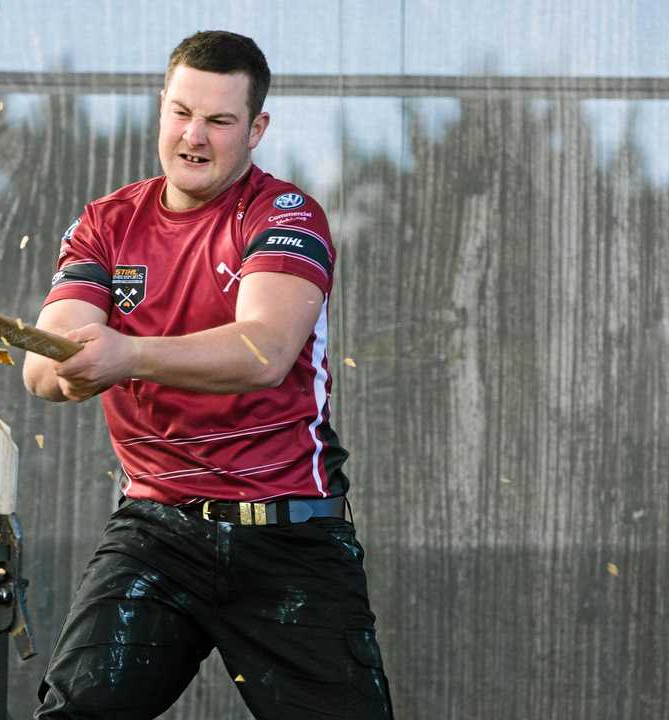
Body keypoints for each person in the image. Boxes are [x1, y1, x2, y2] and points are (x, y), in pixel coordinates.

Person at [22, 30, 394, 720]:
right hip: (155, 533)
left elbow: (264, 351)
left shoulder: (287, 215)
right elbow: (42, 364)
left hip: (290, 536)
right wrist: (67, 372)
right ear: (161, 109)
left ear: (256, 129)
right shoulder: (106, 224)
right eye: (181, 112)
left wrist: (125, 354)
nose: (194, 136)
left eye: (219, 121)